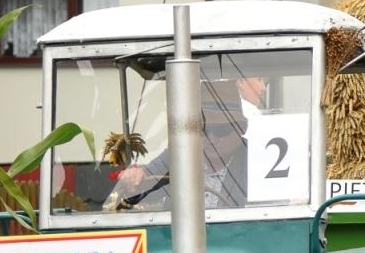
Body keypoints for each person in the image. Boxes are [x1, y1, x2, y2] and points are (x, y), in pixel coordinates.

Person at [111, 75, 262, 209]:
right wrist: (134, 178)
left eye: (221, 130)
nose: (211, 139)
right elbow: (143, 188)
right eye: (203, 130)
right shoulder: (181, 155)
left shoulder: (256, 161)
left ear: (241, 128)